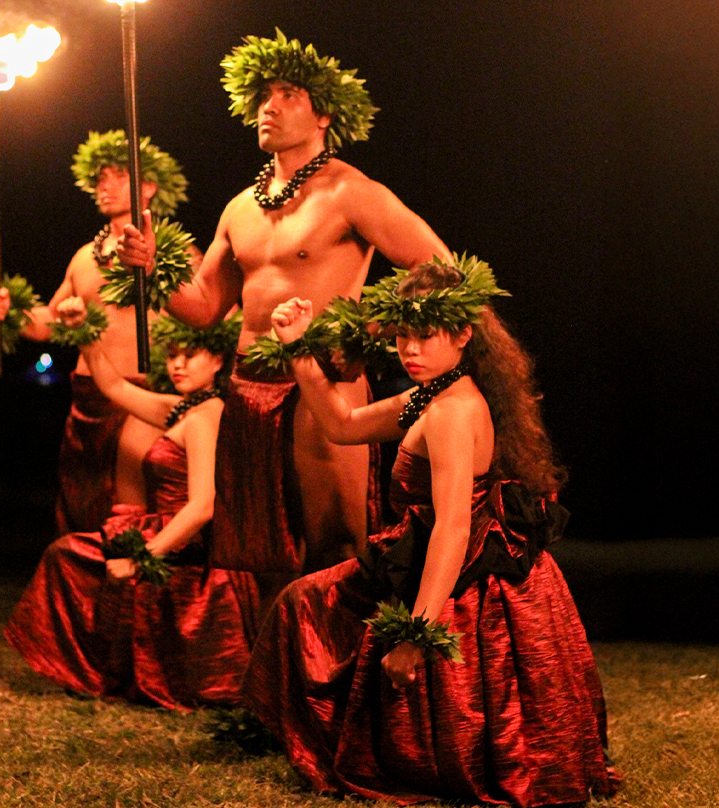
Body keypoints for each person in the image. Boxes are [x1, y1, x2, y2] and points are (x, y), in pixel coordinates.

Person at [241, 257, 620, 806]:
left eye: (424, 337)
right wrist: (298, 344)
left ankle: (340, 738)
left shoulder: (451, 412)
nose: (409, 351)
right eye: (401, 339)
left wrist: (418, 637)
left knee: (306, 603)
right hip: (426, 552)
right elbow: (342, 426)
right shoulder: (434, 395)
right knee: (304, 601)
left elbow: (453, 528)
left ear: (463, 334)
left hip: (462, 571)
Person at [118, 31, 448, 574]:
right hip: (247, 385)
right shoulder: (239, 209)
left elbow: (438, 269)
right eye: (265, 95)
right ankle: (269, 657)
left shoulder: (351, 192)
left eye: (289, 94)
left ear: (323, 116)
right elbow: (203, 307)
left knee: (334, 544)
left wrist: (364, 329)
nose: (269, 106)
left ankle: (340, 659)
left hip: (320, 381)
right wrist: (153, 270)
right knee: (255, 548)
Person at [5, 301, 260, 709]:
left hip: (187, 546)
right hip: (158, 531)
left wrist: (143, 559)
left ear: (216, 360)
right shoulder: (183, 408)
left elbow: (203, 505)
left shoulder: (206, 415)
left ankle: (96, 672)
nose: (177, 365)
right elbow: (114, 387)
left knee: (68, 556)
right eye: (172, 355)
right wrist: (85, 331)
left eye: (189, 355)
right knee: (68, 555)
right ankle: (94, 672)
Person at [0, 130, 190, 534]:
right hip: (86, 400)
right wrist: (11, 313)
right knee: (82, 508)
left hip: (141, 397)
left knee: (132, 512)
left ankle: (128, 594)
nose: (105, 185)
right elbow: (52, 322)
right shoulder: (84, 258)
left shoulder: (171, 253)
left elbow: (206, 316)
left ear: (148, 187)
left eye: (116, 175)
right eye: (99, 178)